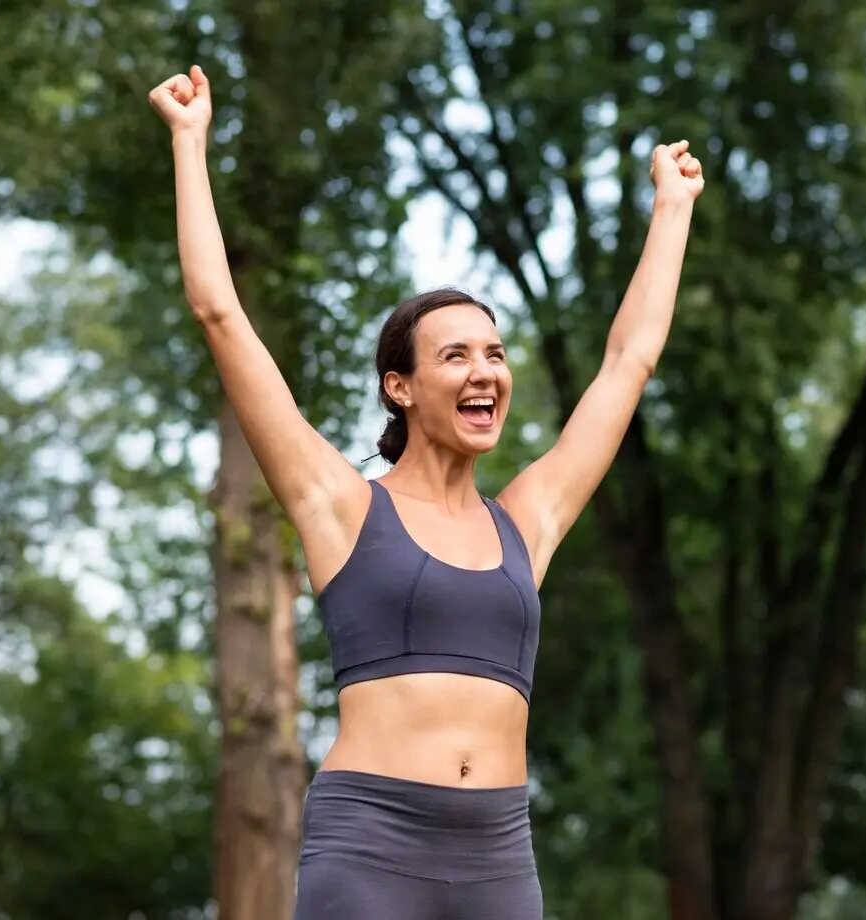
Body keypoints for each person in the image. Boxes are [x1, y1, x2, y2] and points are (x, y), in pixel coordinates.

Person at [149, 65, 704, 920]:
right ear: (399, 387)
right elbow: (218, 312)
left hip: (498, 857)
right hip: (371, 845)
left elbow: (629, 363)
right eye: (455, 357)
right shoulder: (340, 505)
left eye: (494, 354)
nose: (484, 371)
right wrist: (191, 145)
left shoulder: (529, 520)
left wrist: (671, 211)